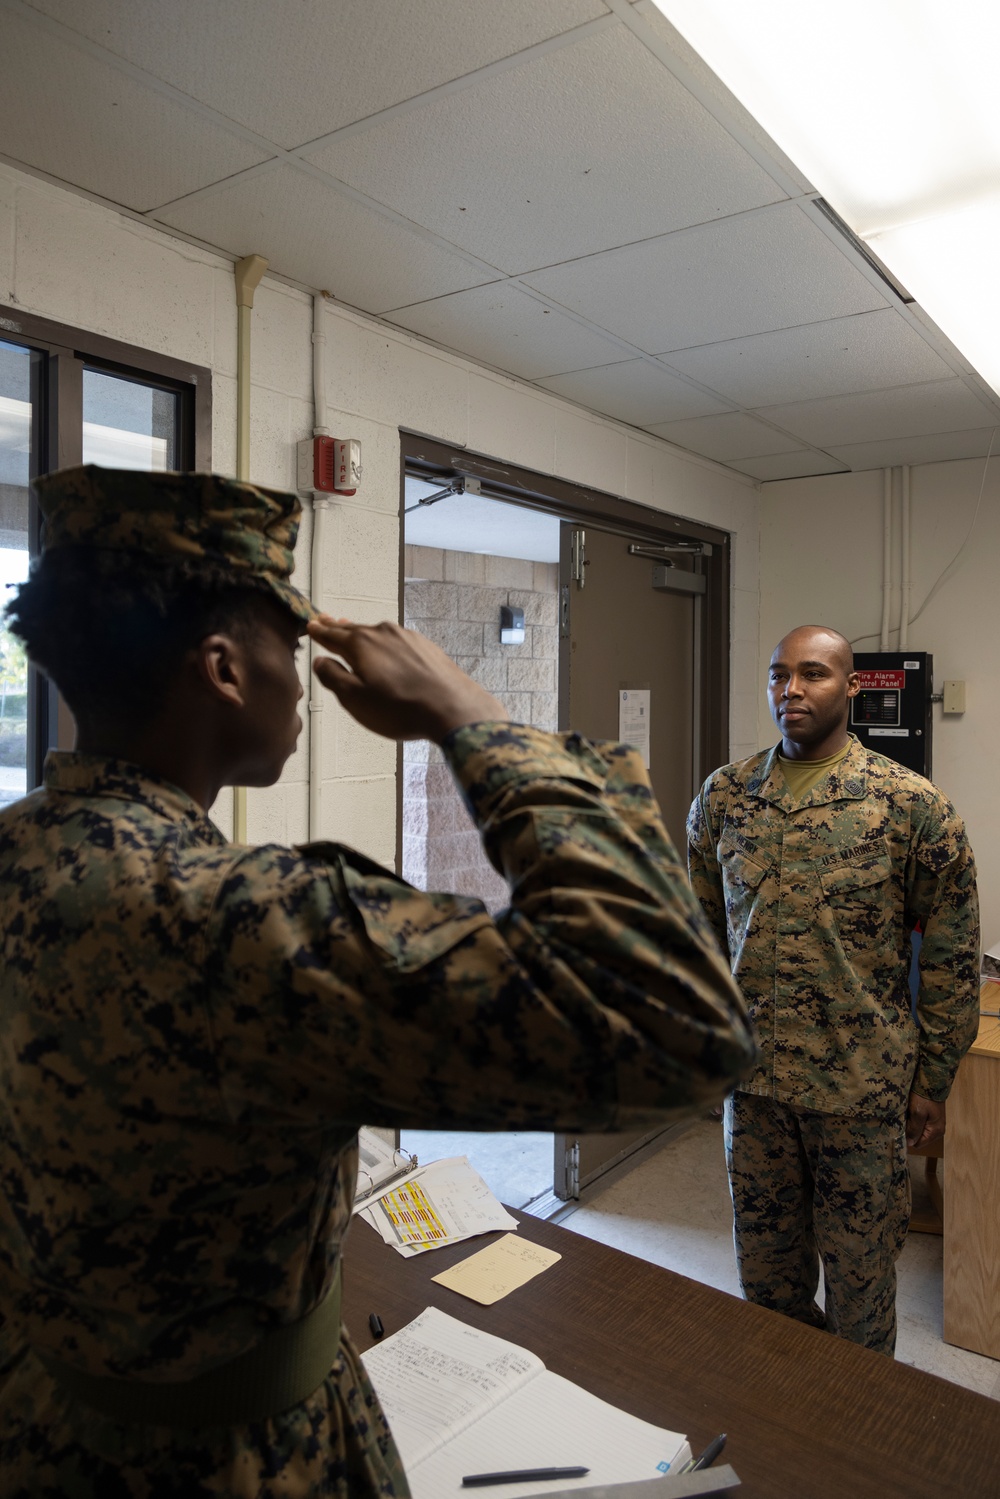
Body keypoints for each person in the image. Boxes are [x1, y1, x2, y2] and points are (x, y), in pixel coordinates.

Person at [0, 465, 757, 1498]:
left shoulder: (21, 854)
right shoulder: (240, 920)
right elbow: (675, 1020)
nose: (309, 670)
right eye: (293, 638)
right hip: (235, 1460)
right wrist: (472, 714)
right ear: (224, 668)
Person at [687, 624, 980, 1356]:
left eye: (813, 673)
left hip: (858, 1091)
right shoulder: (725, 797)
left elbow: (950, 953)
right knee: (768, 1293)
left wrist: (933, 1079)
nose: (791, 690)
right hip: (754, 1093)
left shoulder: (909, 806)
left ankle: (858, 1453)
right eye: (779, 674)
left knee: (860, 1297)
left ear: (852, 686)